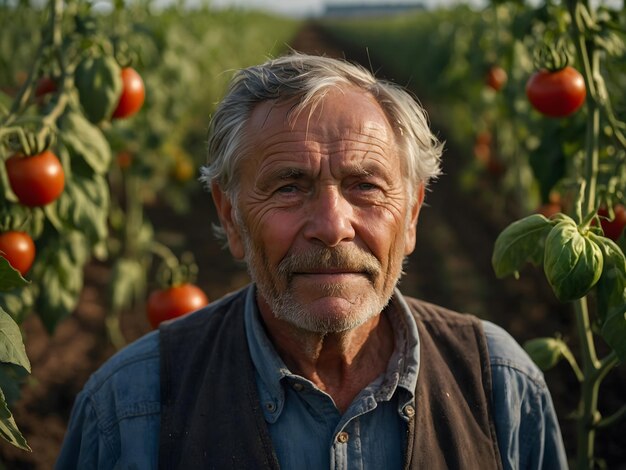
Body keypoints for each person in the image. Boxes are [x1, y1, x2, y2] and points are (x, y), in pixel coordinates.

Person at [56, 53, 568, 469]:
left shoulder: (500, 386)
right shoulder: (129, 408)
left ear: (411, 215)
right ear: (230, 215)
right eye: (288, 187)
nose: (332, 225)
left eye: (365, 185)